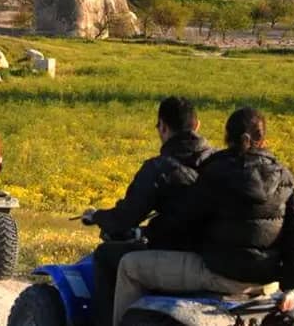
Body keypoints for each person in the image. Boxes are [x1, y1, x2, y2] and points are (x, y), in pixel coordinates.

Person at [111, 107, 294, 326]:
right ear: (264, 139)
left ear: (227, 137)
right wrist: (292, 288)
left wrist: (143, 233)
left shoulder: (216, 172)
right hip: (267, 283)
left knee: (129, 265)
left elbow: (182, 220)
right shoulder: (285, 177)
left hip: (219, 275)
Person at [81, 96, 214, 326]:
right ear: (197, 125)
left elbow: (124, 218)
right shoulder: (218, 161)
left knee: (105, 256)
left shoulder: (159, 167)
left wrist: (97, 216)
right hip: (217, 253)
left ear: (162, 127)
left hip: (182, 254)